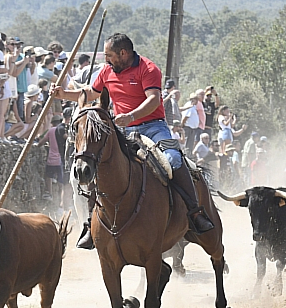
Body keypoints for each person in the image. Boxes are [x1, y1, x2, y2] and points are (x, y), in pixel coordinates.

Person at [54, 32, 215, 245]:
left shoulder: (148, 69)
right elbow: (90, 93)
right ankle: (90, 222)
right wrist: (63, 94)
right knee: (97, 163)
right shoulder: (106, 71)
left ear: (123, 53)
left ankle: (194, 212)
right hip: (122, 129)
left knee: (174, 160)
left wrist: (131, 116)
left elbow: (153, 99)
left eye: (109, 55)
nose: (106, 59)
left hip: (153, 127)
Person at [42, 115, 66, 200]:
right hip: (60, 160)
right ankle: (61, 199)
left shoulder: (51, 130)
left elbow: (42, 141)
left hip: (51, 159)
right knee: (61, 180)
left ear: (52, 123)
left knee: (49, 176)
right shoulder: (63, 131)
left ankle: (50, 193)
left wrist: (38, 145)